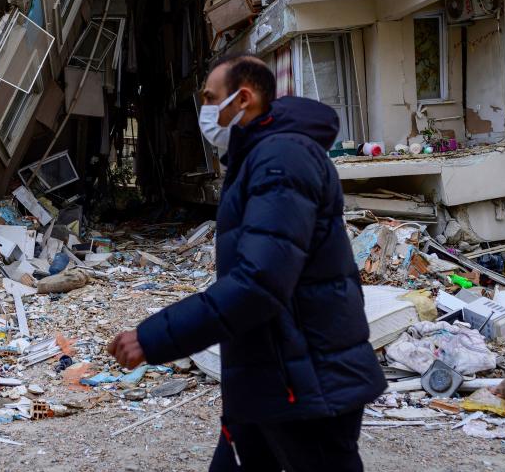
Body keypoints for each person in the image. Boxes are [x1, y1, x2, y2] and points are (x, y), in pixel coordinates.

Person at [108, 54, 386, 471]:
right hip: (267, 376)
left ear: (244, 99)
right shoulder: (257, 157)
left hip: (304, 387)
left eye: (209, 97)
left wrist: (153, 338)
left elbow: (259, 284)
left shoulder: (281, 160)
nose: (203, 110)